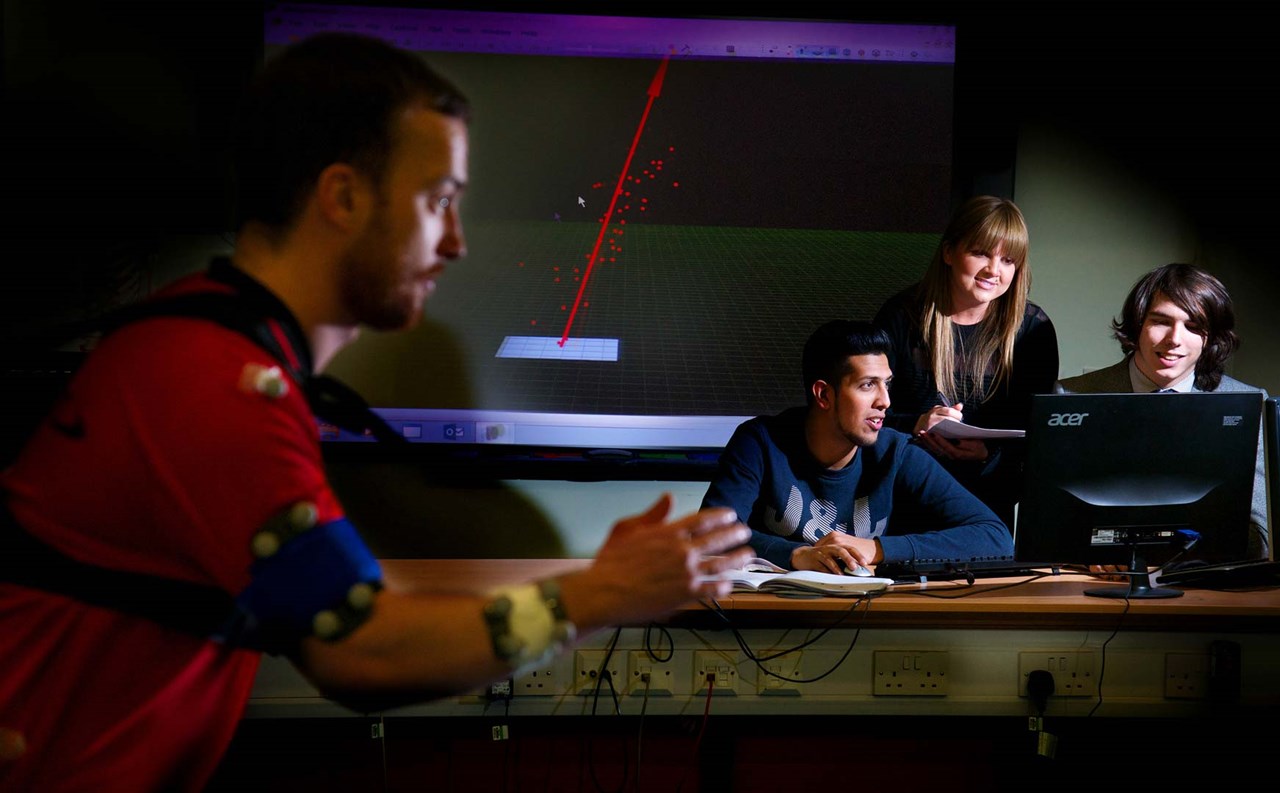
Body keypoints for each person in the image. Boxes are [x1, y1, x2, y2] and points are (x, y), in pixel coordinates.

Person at [0, 33, 752, 792]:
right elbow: (357, 648)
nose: (455, 243)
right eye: (439, 202)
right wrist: (604, 591)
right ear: (343, 197)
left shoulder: (208, 348)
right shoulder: (213, 381)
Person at [701, 319, 1013, 574]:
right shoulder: (760, 442)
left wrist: (877, 549)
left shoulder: (896, 452)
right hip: (768, 618)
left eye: (886, 384)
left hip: (867, 620)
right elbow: (711, 535)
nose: (885, 402)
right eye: (868, 385)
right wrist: (797, 555)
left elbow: (995, 537)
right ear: (824, 395)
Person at [1056, 262, 1269, 559]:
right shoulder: (1071, 396)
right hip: (1097, 580)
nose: (1175, 340)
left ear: (1210, 338)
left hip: (1204, 581)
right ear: (1137, 324)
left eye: (1193, 326)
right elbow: (1055, 523)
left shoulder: (1248, 402)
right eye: (1161, 322)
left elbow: (1259, 532)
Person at [872, 195, 1058, 531]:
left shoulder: (1033, 329)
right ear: (948, 253)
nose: (993, 270)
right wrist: (917, 423)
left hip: (987, 507)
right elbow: (867, 416)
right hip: (906, 498)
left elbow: (1040, 437)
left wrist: (988, 455)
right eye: (981, 253)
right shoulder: (902, 317)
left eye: (1008, 260)